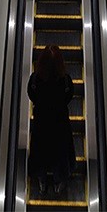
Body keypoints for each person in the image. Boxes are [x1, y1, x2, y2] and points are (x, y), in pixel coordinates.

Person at [27, 45, 75, 197]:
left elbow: (32, 95)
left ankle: (41, 182)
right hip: (60, 125)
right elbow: (69, 97)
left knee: (40, 153)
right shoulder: (66, 80)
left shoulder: (35, 79)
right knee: (60, 154)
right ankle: (58, 182)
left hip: (41, 124)